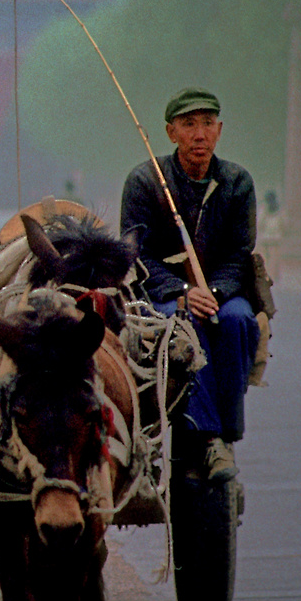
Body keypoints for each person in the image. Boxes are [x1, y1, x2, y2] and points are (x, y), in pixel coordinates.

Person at [120, 87, 259, 482]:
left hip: (220, 294)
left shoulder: (237, 183)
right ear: (171, 132)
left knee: (238, 322)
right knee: (181, 331)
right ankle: (207, 437)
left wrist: (212, 293)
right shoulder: (145, 181)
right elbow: (135, 254)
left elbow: (239, 253)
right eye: (188, 125)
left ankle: (227, 433)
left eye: (207, 124)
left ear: (219, 130)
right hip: (163, 298)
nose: (199, 134)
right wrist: (182, 294)